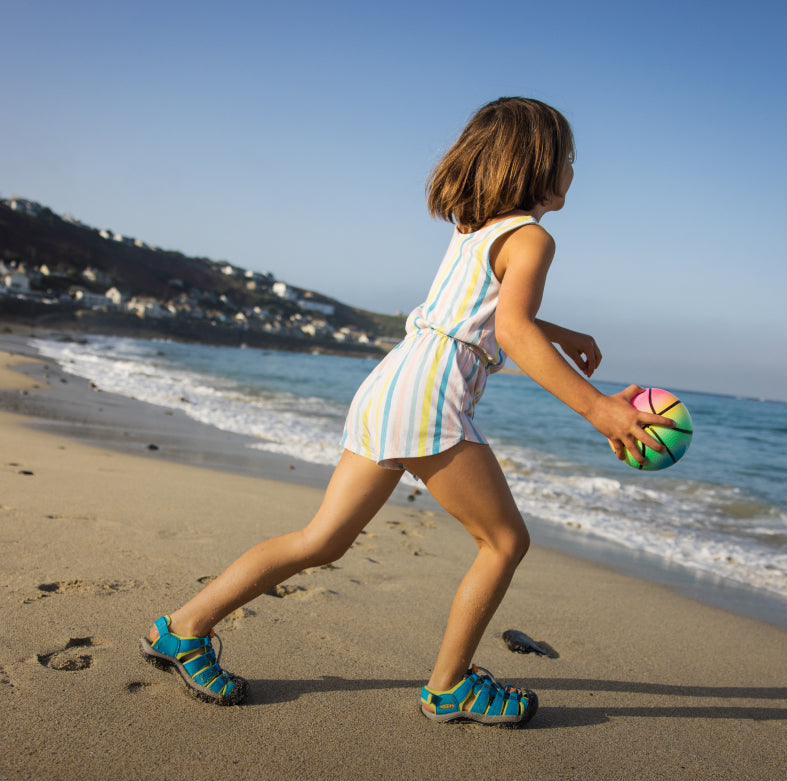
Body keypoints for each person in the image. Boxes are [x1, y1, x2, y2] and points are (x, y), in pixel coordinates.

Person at [140, 97, 675, 727]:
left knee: (321, 540)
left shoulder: (475, 229)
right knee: (504, 541)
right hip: (429, 398)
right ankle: (449, 688)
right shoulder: (532, 237)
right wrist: (598, 410)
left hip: (389, 386)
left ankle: (183, 627)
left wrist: (562, 333)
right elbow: (515, 332)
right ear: (537, 163)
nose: (575, 172)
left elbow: (488, 313)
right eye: (569, 158)